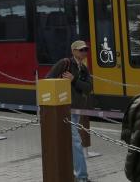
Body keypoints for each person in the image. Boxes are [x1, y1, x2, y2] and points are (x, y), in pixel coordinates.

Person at [46, 40, 93, 182]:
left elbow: (88, 88)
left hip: (76, 109)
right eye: (81, 50)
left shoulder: (84, 69)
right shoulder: (64, 63)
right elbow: (48, 79)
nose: (84, 52)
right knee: (76, 142)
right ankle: (82, 177)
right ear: (73, 51)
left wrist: (74, 79)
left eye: (86, 50)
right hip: (64, 109)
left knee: (69, 142)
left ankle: (69, 171)